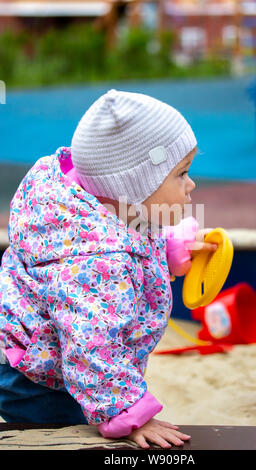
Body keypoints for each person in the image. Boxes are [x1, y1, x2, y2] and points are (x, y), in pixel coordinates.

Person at [0, 89, 216, 449]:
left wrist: (171, 247)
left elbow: (132, 229)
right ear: (132, 185)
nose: (191, 184)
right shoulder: (94, 263)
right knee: (78, 438)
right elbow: (92, 347)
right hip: (37, 383)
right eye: (182, 174)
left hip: (48, 356)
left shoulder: (101, 205)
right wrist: (128, 414)